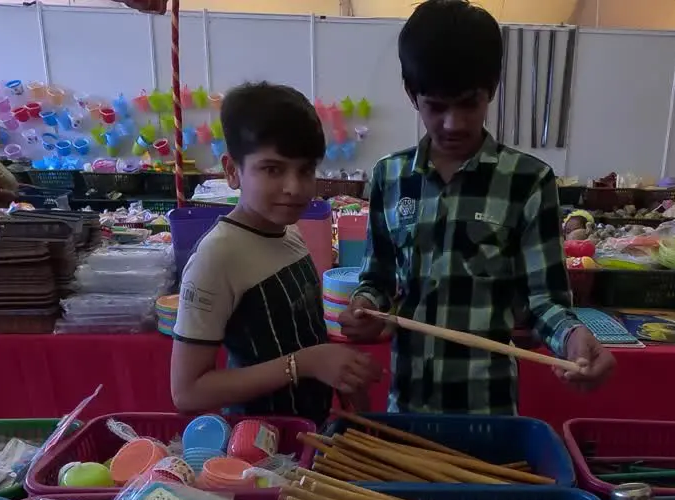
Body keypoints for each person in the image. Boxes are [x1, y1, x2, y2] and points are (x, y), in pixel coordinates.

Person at [339, 0, 614, 415]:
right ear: (412, 95)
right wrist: (366, 307)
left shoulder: (528, 181)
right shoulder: (389, 177)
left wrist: (573, 336)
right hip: (407, 408)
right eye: (436, 106)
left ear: (493, 89)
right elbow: (378, 278)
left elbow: (546, 302)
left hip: (490, 411)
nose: (453, 123)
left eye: (469, 103)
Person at [169, 82, 378, 423]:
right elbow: (187, 391)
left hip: (309, 433)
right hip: (262, 451)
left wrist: (339, 373)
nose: (294, 187)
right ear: (232, 171)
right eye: (272, 169)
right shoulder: (217, 256)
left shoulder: (287, 230)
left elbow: (302, 336)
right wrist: (307, 363)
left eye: (305, 170)